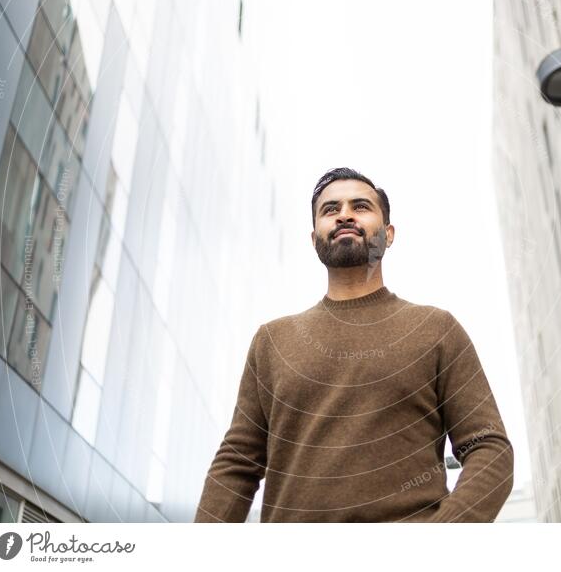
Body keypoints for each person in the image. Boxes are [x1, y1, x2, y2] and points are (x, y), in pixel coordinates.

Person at [194, 167, 513, 522]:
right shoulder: (272, 341)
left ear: (388, 234)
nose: (344, 214)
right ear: (314, 238)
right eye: (330, 210)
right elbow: (237, 462)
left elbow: (490, 448)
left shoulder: (436, 329)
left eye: (360, 206)